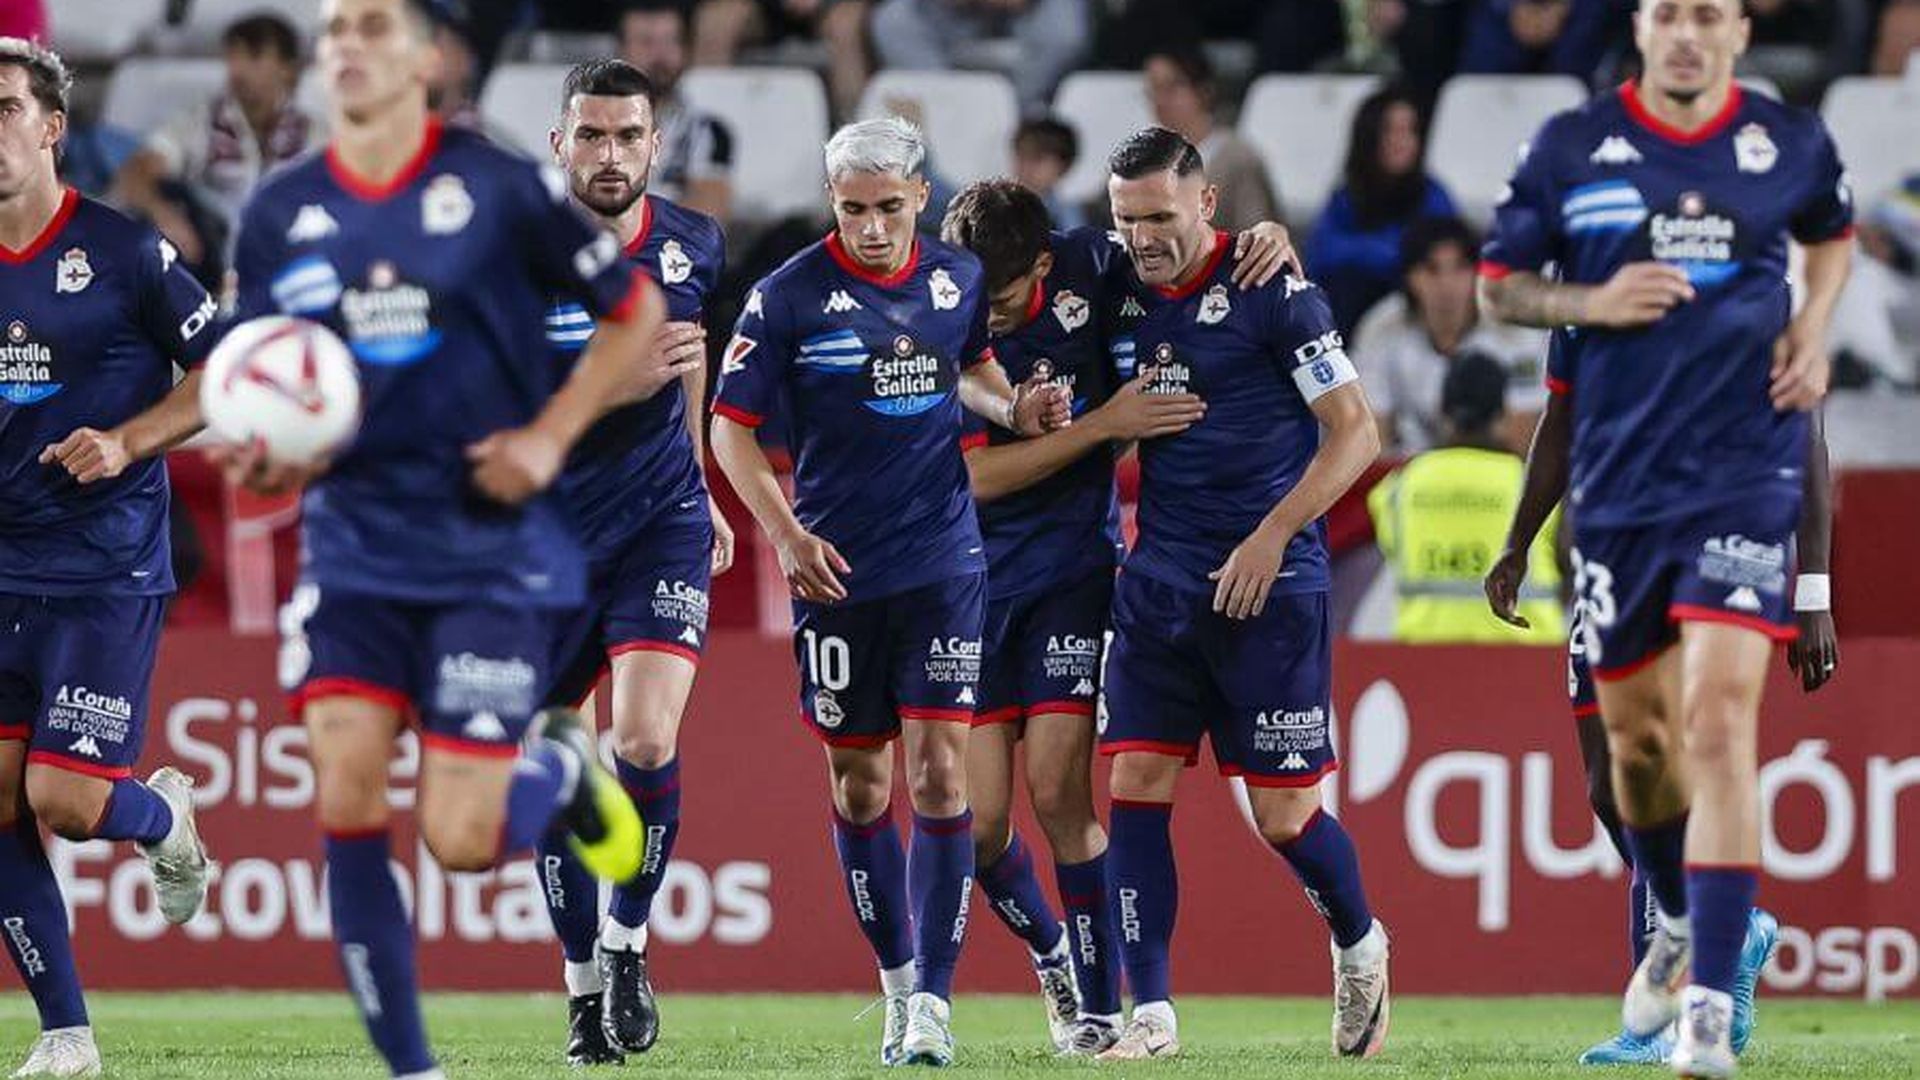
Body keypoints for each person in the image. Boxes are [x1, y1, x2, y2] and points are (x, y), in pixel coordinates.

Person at [213, 2, 676, 1077]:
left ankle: (558, 776)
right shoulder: (281, 211)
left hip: (489, 552)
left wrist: (552, 437)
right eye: (333, 31)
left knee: (461, 843)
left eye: (374, 26)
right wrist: (267, 453)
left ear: (428, 57)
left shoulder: (501, 188)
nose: (348, 46)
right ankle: (414, 1070)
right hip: (355, 548)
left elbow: (637, 313)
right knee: (346, 793)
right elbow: (267, 381)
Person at [1477, 1, 1853, 1074]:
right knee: (1629, 763)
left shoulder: (1789, 148)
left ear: (1739, 28)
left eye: (1707, 13)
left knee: (1719, 726)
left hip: (1741, 485)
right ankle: (1687, 918)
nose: (1687, 32)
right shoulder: (1571, 154)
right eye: (1668, 12)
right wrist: (1594, 303)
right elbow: (1507, 297)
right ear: (1641, 26)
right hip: (1618, 501)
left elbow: (1832, 246)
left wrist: (1815, 335)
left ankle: (1705, 1019)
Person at [711, 117, 1070, 1067]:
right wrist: (783, 533)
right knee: (860, 787)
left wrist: (1014, 410)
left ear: (919, 195)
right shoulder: (786, 297)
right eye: (852, 208)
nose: (871, 226)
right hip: (834, 571)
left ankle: (933, 1007)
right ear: (835, 202)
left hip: (943, 563)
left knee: (941, 775)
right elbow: (730, 431)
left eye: (887, 206)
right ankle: (899, 982)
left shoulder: (953, 281)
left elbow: (973, 369)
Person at [939, 179, 1298, 1056]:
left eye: (1011, 295)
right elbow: (972, 480)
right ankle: (1053, 954)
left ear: (1046, 265)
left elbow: (1187, 262)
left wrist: (1270, 245)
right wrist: (1104, 425)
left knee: (1061, 790)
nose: (995, 315)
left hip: (1072, 575)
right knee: (978, 823)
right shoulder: (936, 313)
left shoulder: (1096, 268)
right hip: (970, 579)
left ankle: (1101, 1009)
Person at [1094, 125, 1389, 1061]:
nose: (1143, 238)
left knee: (1285, 817)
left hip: (1273, 586)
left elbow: (1356, 434)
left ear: (1208, 203)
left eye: (1160, 217)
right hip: (1161, 583)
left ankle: (1360, 943)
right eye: (1125, 220)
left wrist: (1273, 534)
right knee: (1135, 780)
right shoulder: (1115, 287)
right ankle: (1152, 1017)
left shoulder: (1275, 290)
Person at [1485, 334, 1840, 1065]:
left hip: (1712, 544)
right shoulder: (1586, 266)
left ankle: (1663, 1015)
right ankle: (1730, 929)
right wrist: (1520, 539)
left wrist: (1814, 588)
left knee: (1674, 762)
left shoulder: (1737, 261)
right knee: (1611, 786)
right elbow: (1561, 418)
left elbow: (1803, 427)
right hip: (1610, 553)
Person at [0, 36, 217, 1079]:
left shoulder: (127, 252)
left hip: (102, 563)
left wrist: (130, 439)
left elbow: (231, 370)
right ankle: (67, 1034)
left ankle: (160, 813)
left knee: (65, 804)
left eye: (4, 109)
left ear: (50, 127)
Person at [532, 57, 733, 1066]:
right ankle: (578, 991)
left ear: (655, 143)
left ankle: (624, 945)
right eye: (591, 135)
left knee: (643, 744)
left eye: (627, 136)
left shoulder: (696, 243)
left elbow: (686, 362)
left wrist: (697, 479)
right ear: (557, 142)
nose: (609, 155)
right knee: (553, 770)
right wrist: (611, 387)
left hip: (658, 526)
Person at [1369, 351, 1564, 643]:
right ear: (1502, 414)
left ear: (1442, 411)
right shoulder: (1534, 484)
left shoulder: (1397, 487)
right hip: (1527, 662)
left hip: (1423, 662)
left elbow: (1394, 552)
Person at [110, 12, 320, 283]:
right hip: (209, 270)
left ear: (288, 68)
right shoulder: (200, 123)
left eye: (253, 56)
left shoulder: (316, 136)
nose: (238, 68)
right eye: (233, 56)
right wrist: (163, 214)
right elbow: (136, 172)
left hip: (293, 270)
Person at [1353, 216, 1547, 453]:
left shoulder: (1514, 330)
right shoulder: (1381, 328)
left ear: (1479, 273)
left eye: (1460, 268)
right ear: (1410, 277)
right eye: (1431, 269)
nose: (1447, 284)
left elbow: (1522, 441)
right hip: (1409, 476)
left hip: (1492, 474)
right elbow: (1370, 440)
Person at [1306, 86, 1458, 335]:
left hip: (1412, 310)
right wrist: (1380, 252)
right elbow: (1321, 254)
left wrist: (1365, 251)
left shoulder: (1432, 196)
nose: (1402, 141)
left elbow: (1436, 260)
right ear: (1369, 137)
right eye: (1390, 131)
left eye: (1410, 131)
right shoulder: (1347, 195)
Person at [621, 1, 736, 228]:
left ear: (687, 53)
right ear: (622, 51)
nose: (659, 55)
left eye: (670, 42)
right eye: (646, 42)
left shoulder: (710, 132)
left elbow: (706, 221)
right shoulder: (587, 129)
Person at [1141, 43, 1279, 232]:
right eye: (1154, 89)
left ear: (1204, 90)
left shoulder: (1237, 160)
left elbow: (1255, 238)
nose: (1161, 100)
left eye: (1172, 87)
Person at [872, 0, 1089, 117]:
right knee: (893, 19)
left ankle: (1018, 111)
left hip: (1026, 20)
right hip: (951, 19)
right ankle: (948, 108)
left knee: (1064, 31)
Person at [690, 0, 871, 122]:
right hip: (763, 9)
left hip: (836, 7)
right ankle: (705, 140)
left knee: (844, 26)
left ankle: (858, 146)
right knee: (716, 23)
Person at [1011, 116, 1086, 232]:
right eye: (1021, 156)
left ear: (1061, 166)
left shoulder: (1068, 218)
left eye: (1036, 159)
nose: (1025, 167)